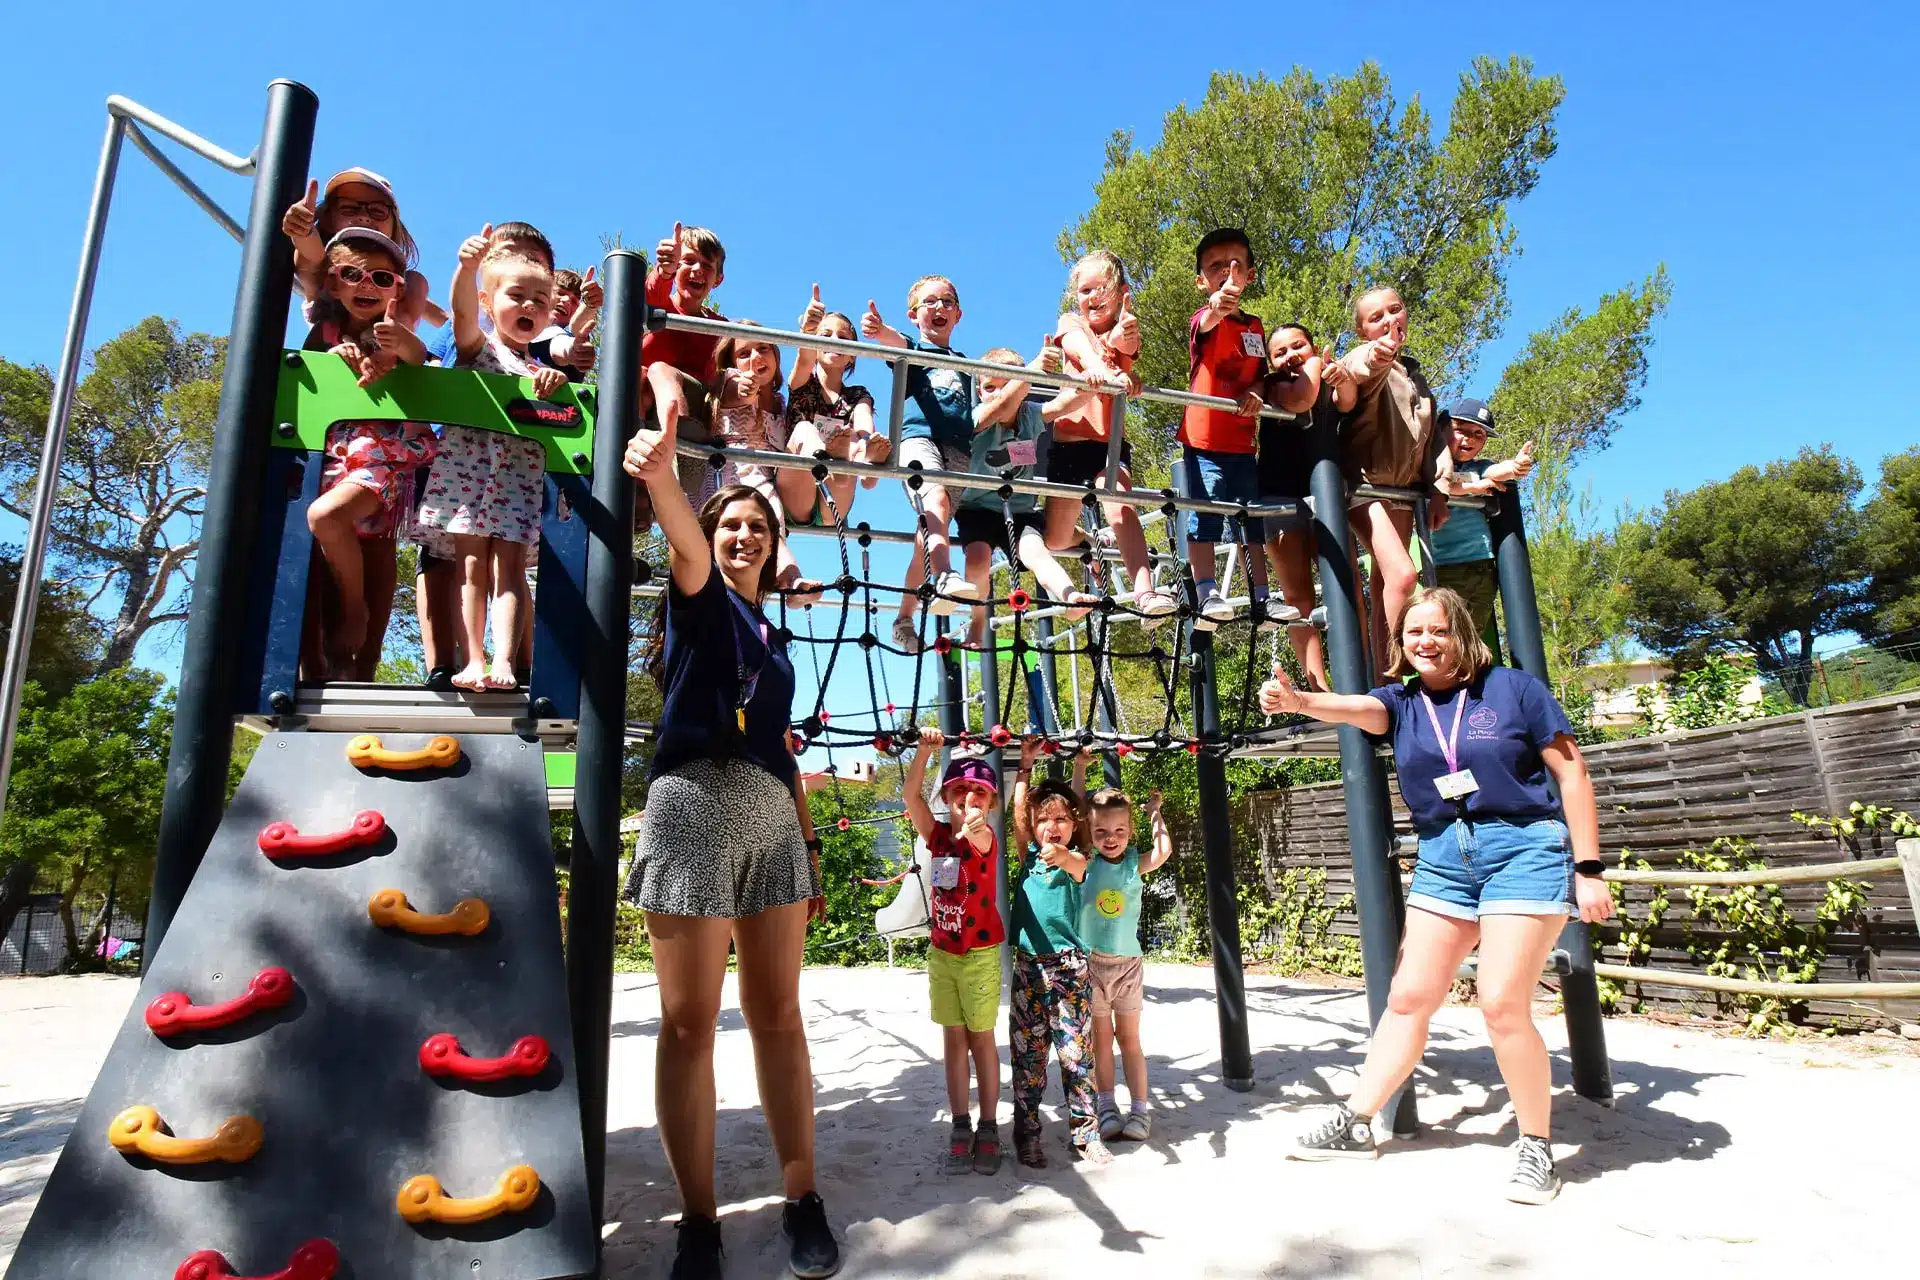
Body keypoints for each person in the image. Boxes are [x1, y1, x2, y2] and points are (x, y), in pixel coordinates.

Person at [1257, 586, 1613, 1204]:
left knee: (1501, 1003)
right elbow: (1352, 709)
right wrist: (1297, 701)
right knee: (1409, 996)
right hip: (1445, 855)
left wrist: (1588, 867)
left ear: (1462, 634)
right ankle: (1356, 1122)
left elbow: (1571, 773)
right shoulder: (1400, 702)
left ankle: (1536, 1148)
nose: (1425, 641)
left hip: (1523, 847)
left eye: (1438, 630)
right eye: (1413, 632)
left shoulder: (1514, 690)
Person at [622, 405, 839, 1276]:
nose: (744, 533)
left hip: (769, 815)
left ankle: (804, 1198)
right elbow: (680, 530)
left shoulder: (774, 639)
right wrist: (665, 477)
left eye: (761, 525)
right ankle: (700, 1221)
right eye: (733, 523)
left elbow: (784, 755)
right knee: (687, 1024)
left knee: (780, 1016)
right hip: (693, 804)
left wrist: (809, 846)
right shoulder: (699, 592)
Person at [414, 225, 567, 692]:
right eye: (517, 296)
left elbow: (559, 411)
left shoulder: (539, 370)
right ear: (488, 302)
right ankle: (473, 658)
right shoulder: (477, 348)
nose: (529, 307)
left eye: (540, 302)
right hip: (467, 477)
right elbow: (460, 311)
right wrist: (465, 269)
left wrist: (556, 385)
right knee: (470, 569)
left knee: (512, 570)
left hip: (516, 482)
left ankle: (503, 657)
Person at [300, 229, 437, 680]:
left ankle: (360, 626)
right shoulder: (326, 332)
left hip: (380, 459)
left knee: (330, 521)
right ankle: (334, 667)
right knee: (321, 557)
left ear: (397, 289)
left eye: (381, 277)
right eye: (352, 274)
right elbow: (309, 373)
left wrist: (396, 349)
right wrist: (331, 353)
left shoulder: (394, 333)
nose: (366, 285)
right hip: (332, 460)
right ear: (333, 284)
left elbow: (420, 357)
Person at [1038, 252, 1176, 625]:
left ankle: (1145, 592)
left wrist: (1123, 357)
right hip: (1067, 443)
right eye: (1085, 290)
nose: (1093, 297)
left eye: (1103, 288)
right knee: (1055, 538)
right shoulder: (1071, 322)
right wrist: (1100, 368)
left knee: (1119, 502)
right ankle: (1087, 538)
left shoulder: (1124, 327)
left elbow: (1127, 342)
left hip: (1108, 441)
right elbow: (1076, 346)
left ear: (1120, 293)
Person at [1332, 286, 1452, 680]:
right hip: (1365, 487)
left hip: (1400, 492)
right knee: (1404, 576)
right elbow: (1358, 369)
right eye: (1375, 317)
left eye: (1394, 310)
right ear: (1362, 330)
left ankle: (1384, 681)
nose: (1387, 321)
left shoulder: (1416, 375)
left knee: (1389, 583)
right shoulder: (1369, 358)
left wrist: (1439, 491)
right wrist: (1379, 353)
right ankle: (1394, 678)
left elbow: (1433, 440)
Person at [903, 730, 1007, 1176]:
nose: (969, 797)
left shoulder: (984, 837)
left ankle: (989, 1124)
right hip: (943, 953)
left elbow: (980, 839)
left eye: (979, 792)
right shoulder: (938, 837)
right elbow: (910, 797)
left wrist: (976, 824)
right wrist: (925, 753)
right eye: (960, 789)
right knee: (952, 1038)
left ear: (990, 803)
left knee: (981, 1039)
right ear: (947, 796)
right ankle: (960, 1122)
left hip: (980, 954)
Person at [1179, 229, 1293, 632]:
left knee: (1251, 519)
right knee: (1206, 513)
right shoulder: (1203, 318)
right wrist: (1218, 305)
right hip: (1204, 439)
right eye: (1215, 268)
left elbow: (1260, 377)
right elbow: (1208, 322)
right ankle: (1207, 591)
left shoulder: (1256, 326)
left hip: (1243, 441)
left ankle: (1261, 596)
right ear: (1201, 280)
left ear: (1250, 275)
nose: (1226, 275)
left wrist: (1258, 394)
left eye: (1235, 267)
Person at [1007, 737, 1112, 1168]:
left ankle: (1085, 1135)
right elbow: (1018, 815)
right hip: (1030, 969)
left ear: (1074, 825)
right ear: (1032, 826)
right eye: (1044, 820)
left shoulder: (1079, 860)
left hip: (1070, 969)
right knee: (1029, 1058)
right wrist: (1026, 768)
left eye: (1061, 820)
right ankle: (1027, 1132)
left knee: (1075, 1056)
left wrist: (1080, 772)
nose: (1053, 825)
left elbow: (1077, 850)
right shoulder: (1028, 857)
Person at [863, 276, 983, 650]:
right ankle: (944, 575)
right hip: (917, 439)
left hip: (958, 447)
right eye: (929, 303)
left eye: (947, 302)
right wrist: (880, 330)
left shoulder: (965, 365)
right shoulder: (914, 349)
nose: (939, 308)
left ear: (959, 314)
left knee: (928, 534)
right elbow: (895, 344)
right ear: (914, 315)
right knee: (937, 500)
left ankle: (903, 617)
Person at [951, 347, 1099, 648]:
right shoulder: (979, 416)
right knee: (977, 561)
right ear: (979, 391)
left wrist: (1093, 385)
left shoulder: (1030, 414)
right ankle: (977, 622)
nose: (997, 394)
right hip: (976, 508)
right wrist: (1029, 374)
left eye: (1006, 385)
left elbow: (1063, 404)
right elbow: (1001, 406)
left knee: (1035, 551)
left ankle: (1070, 597)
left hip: (1020, 509)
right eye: (988, 388)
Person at [1079, 786, 1173, 1143]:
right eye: (1101, 831)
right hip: (1093, 965)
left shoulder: (1134, 862)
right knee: (1101, 1042)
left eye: (1119, 831)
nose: (1111, 838)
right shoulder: (1086, 862)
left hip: (1127, 966)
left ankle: (1139, 1110)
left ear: (1130, 831)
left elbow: (1162, 851)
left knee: (1130, 1039)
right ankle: (1106, 1107)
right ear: (1090, 833)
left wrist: (1154, 812)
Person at [1260, 322, 1336, 690]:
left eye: (1298, 346)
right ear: (1270, 362)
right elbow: (1302, 397)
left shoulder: (1333, 382)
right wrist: (1316, 363)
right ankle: (1317, 688)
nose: (1290, 356)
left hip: (1327, 491)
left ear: (1312, 344)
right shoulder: (1274, 385)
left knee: (1346, 584)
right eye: (1280, 352)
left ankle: (1363, 681)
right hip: (1279, 493)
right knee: (1298, 594)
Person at [1431, 397, 1535, 659]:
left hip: (1480, 566)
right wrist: (1472, 489)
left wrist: (1514, 467)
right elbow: (1442, 485)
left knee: (1470, 634)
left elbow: (1496, 471)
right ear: (1441, 428)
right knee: (1444, 632)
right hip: (1442, 567)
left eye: (1479, 434)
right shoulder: (1430, 465)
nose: (1470, 438)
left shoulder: (1479, 467)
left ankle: (1469, 679)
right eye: (1461, 430)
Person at [281, 167, 446, 329]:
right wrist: (304, 231)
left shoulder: (401, 285)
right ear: (329, 218)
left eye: (377, 210)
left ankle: (389, 340)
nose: (363, 217)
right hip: (331, 350)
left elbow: (441, 318)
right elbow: (310, 257)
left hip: (391, 346)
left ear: (394, 225)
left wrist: (461, 328)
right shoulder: (325, 272)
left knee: (415, 281)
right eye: (349, 208)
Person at [782, 286, 890, 524]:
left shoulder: (857, 395)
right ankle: (834, 460)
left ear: (852, 354)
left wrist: (865, 442)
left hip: (833, 504)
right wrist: (809, 329)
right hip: (796, 497)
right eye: (826, 336)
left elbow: (863, 422)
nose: (834, 341)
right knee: (804, 429)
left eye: (843, 338)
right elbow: (803, 360)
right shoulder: (802, 383)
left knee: (852, 436)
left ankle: (863, 466)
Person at [644, 223, 730, 507]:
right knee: (642, 377)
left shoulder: (719, 328)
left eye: (707, 265)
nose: (697, 270)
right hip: (643, 412)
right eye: (688, 261)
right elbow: (649, 294)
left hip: (691, 406)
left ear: (717, 279)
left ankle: (682, 437)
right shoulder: (661, 309)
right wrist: (664, 271)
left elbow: (735, 365)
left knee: (660, 370)